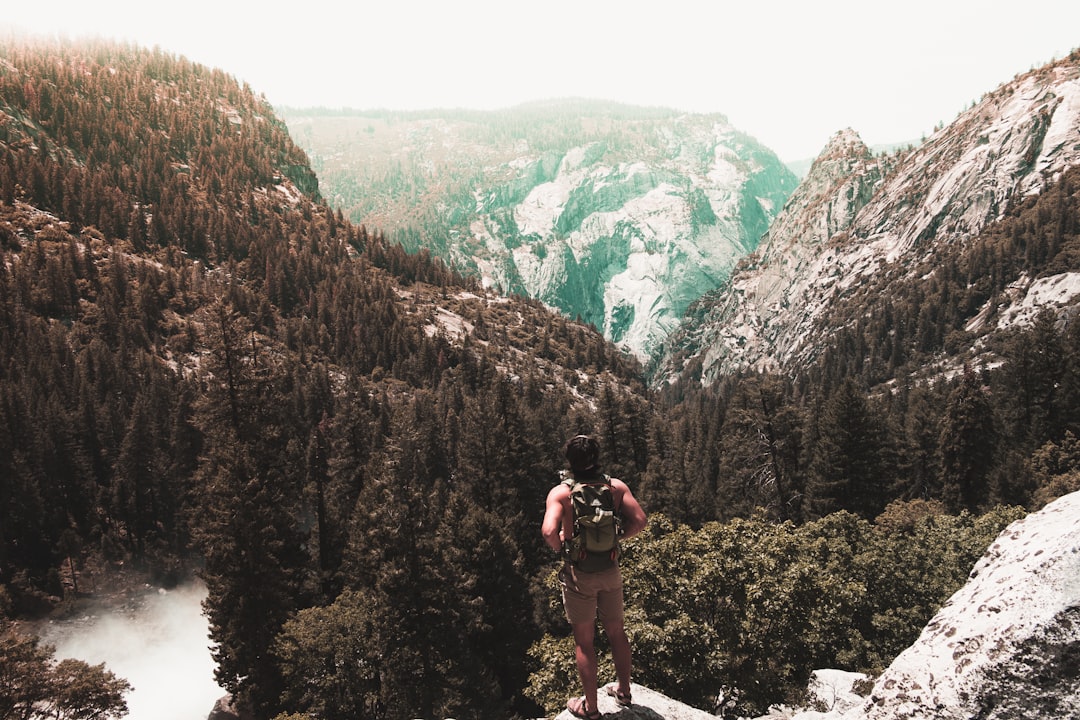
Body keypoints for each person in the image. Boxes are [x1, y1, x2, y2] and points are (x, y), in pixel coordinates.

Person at [542, 434, 648, 720]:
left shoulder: (561, 493)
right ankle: (624, 691)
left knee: (584, 642)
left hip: (579, 574)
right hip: (610, 570)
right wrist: (618, 538)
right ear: (596, 457)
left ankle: (591, 709)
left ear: (570, 462)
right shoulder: (615, 487)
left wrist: (564, 546)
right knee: (617, 632)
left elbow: (548, 531)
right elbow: (640, 520)